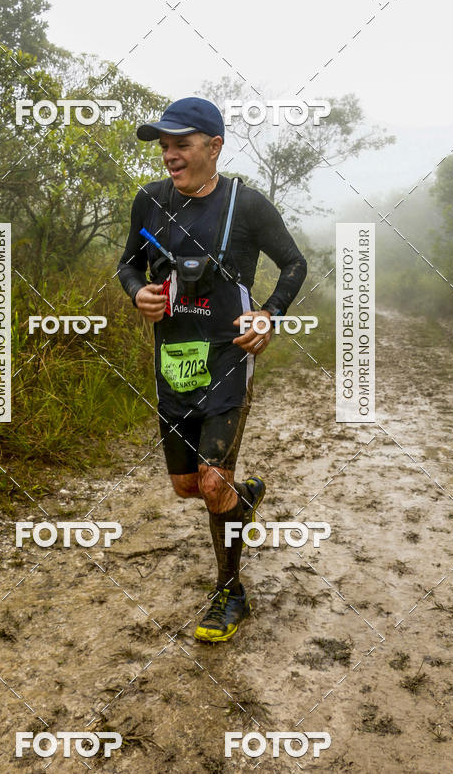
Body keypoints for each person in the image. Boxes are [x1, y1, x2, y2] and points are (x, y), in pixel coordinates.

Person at [118, 97, 307, 642]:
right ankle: (240, 500)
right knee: (185, 487)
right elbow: (129, 263)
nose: (169, 156)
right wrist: (139, 294)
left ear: (214, 146)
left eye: (181, 144)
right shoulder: (149, 202)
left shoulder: (245, 205)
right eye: (164, 146)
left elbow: (293, 262)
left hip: (229, 353)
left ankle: (230, 594)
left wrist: (269, 316)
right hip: (174, 359)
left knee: (211, 479)